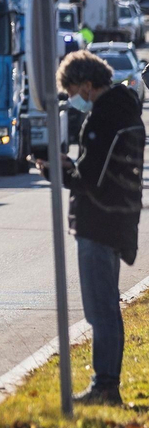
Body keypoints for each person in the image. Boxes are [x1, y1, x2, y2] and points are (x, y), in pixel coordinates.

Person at [37, 50, 143, 406]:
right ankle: (107, 383)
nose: (72, 100)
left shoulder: (104, 117)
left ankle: (105, 386)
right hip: (118, 221)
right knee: (107, 307)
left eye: (71, 92)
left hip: (99, 224)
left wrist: (57, 170)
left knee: (100, 310)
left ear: (86, 84)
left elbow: (92, 180)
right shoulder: (125, 110)